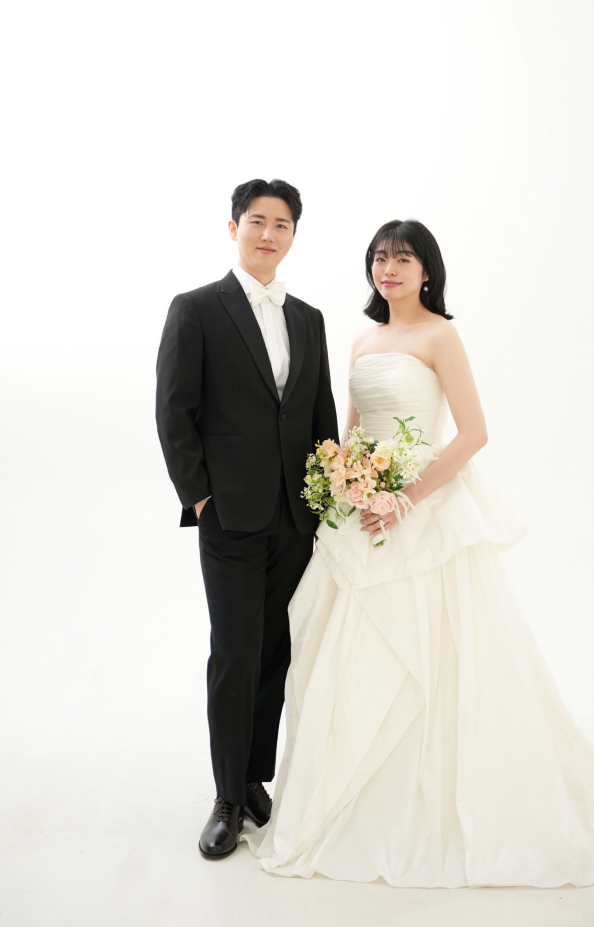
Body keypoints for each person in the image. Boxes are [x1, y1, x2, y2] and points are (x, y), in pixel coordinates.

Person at [243, 219, 594, 887]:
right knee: (347, 655)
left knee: (435, 653)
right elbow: (351, 428)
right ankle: (351, 804)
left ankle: (431, 807)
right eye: (380, 258)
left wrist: (405, 497)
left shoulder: (440, 335)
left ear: (427, 270)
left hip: (422, 508)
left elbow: (473, 433)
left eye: (403, 258)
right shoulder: (362, 339)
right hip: (362, 511)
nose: (389, 269)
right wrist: (346, 480)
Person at [155, 179, 339, 859]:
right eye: (257, 221)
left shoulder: (309, 318)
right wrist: (200, 497)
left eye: (281, 224)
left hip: (295, 515)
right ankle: (227, 798)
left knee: (274, 655)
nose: (268, 234)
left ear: (293, 235)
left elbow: (318, 412)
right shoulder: (197, 309)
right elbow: (174, 410)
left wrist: (326, 499)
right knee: (235, 654)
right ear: (233, 228)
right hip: (229, 514)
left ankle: (255, 778)